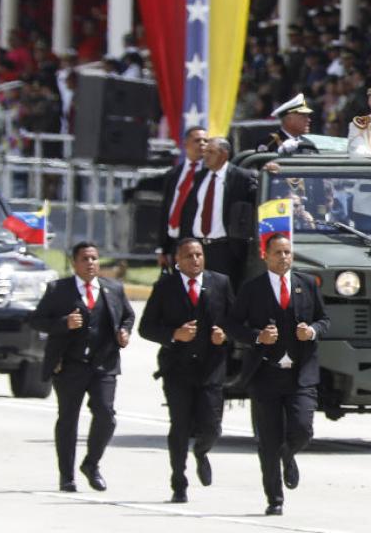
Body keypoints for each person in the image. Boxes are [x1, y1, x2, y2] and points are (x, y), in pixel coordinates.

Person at [226, 234, 330, 516]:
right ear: (265, 255)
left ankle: (289, 453)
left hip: (300, 375)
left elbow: (325, 320)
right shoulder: (252, 289)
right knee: (268, 441)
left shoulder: (307, 284)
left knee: (303, 429)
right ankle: (275, 498)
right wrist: (257, 337)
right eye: (278, 252)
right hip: (265, 375)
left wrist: (312, 332)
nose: (284, 257)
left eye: (287, 252)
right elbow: (232, 324)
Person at [29, 242, 134, 493]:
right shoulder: (58, 290)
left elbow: (128, 316)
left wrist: (124, 331)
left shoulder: (113, 289)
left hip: (104, 364)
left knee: (106, 416)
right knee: (68, 420)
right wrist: (64, 323)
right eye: (85, 259)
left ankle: (91, 464)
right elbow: (37, 320)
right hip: (70, 366)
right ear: (74, 263)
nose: (91, 263)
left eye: (95, 259)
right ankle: (67, 476)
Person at [138, 238, 235, 504]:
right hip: (177, 368)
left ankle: (202, 452)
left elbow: (237, 322)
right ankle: (178, 481)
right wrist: (173, 335)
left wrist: (224, 335)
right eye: (189, 256)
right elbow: (146, 328)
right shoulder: (165, 287)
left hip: (211, 367)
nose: (195, 260)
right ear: (177, 261)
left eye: (199, 255)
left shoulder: (220, 283)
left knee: (212, 427)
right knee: (180, 426)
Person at [182, 137, 258, 289]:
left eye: (211, 152)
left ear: (224, 155)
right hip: (198, 248)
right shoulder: (200, 177)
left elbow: (258, 202)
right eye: (205, 152)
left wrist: (271, 170)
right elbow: (191, 212)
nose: (206, 156)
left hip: (225, 250)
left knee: (225, 297)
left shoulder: (241, 178)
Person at [159, 126, 207, 272]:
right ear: (185, 144)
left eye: (206, 141)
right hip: (175, 241)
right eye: (197, 140)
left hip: (197, 242)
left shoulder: (210, 174)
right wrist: (162, 248)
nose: (202, 144)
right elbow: (166, 210)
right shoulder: (174, 174)